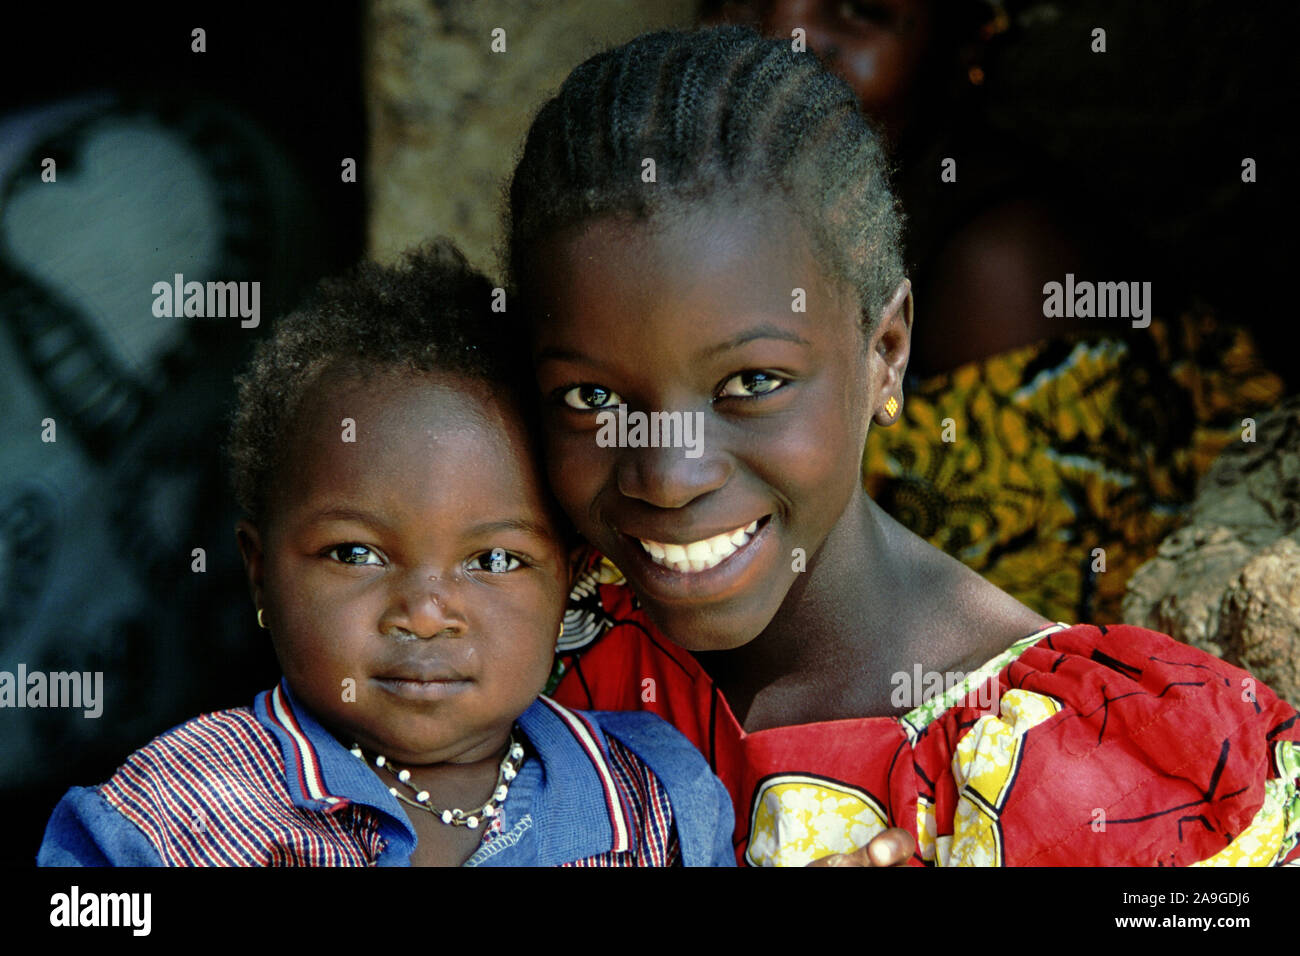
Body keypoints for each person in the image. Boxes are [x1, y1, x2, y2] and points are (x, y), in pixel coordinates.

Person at [505, 26, 1300, 866]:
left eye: (752, 384)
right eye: (592, 398)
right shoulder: (513, 642)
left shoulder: (1092, 773)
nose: (668, 474)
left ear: (886, 353)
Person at [36, 242, 734, 867]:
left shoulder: (650, 802)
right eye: (355, 553)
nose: (426, 614)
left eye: (493, 561)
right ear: (259, 572)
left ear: (570, 582)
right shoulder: (178, 815)